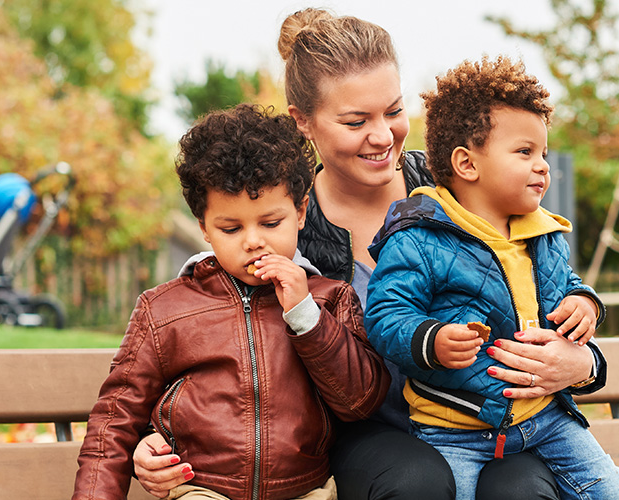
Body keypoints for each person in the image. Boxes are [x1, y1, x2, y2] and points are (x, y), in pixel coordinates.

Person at [133, 9, 608, 500]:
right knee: (415, 481)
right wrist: (154, 436)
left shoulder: (460, 186)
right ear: (304, 122)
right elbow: (220, 337)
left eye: (394, 111)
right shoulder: (285, 225)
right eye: (356, 121)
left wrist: (584, 363)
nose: (383, 136)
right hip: (367, 431)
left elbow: (551, 287)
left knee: (520, 490)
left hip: (488, 421)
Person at [72, 104, 390, 500]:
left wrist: (306, 316)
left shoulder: (329, 298)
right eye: (230, 227)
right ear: (204, 227)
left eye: (270, 223)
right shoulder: (165, 309)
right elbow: (115, 419)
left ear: (301, 211)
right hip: (202, 490)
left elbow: (360, 400)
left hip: (305, 491)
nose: (253, 241)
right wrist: (143, 450)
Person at [363, 55, 619, 500]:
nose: (543, 165)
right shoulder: (419, 238)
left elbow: (565, 283)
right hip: (453, 430)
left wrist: (584, 303)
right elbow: (387, 315)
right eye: (525, 152)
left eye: (542, 152)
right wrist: (432, 340)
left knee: (609, 491)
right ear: (467, 164)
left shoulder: (542, 232)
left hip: (547, 419)